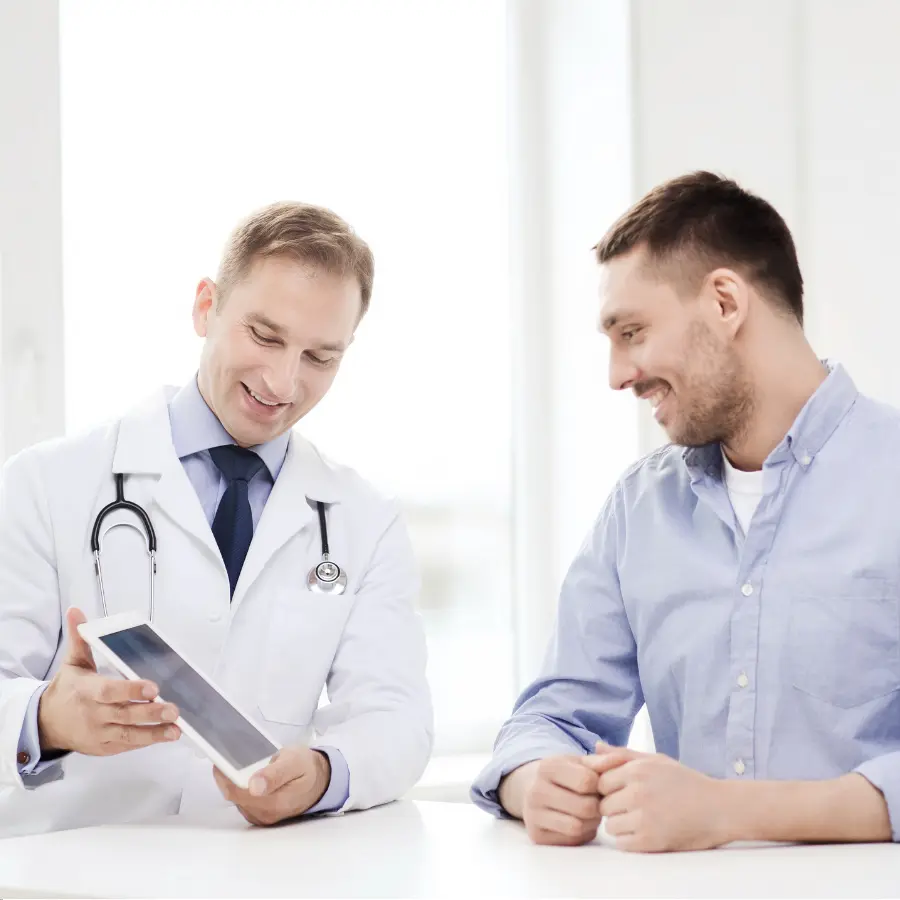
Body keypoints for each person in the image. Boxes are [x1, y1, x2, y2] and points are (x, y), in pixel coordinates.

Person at [471, 171, 899, 851]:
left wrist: (730, 811)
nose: (617, 374)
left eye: (632, 332)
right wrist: (534, 779)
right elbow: (556, 714)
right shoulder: (638, 509)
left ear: (725, 302)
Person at [0, 202, 432, 836]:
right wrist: (48, 717)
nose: (284, 381)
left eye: (320, 357)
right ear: (206, 307)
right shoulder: (43, 483)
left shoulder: (365, 521)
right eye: (265, 335)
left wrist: (321, 774)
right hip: (71, 870)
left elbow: (396, 718)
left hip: (250, 871)